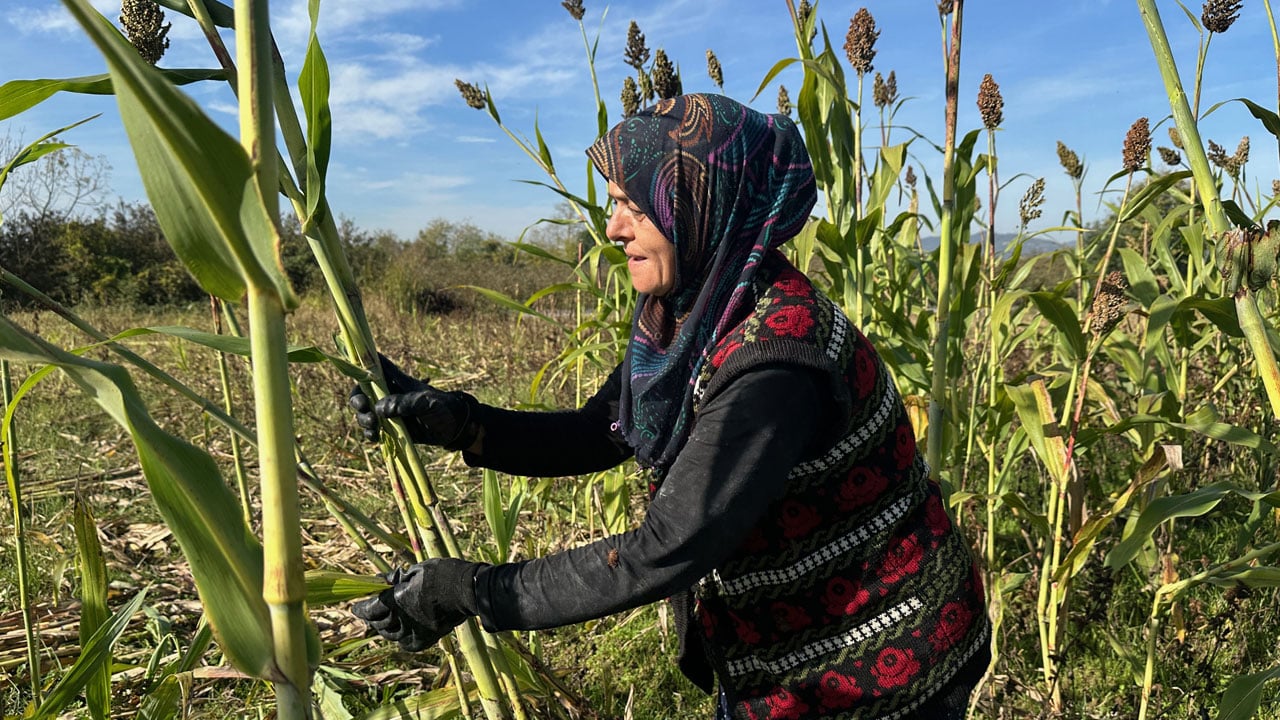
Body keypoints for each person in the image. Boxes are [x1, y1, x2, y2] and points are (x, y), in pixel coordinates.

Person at [349, 93, 989, 720]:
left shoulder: (777, 361)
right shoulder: (696, 313)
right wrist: (462, 422)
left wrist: (468, 592)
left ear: (697, 206)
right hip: (783, 660)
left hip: (879, 662)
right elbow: (606, 428)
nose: (612, 228)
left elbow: (664, 550)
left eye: (633, 205)